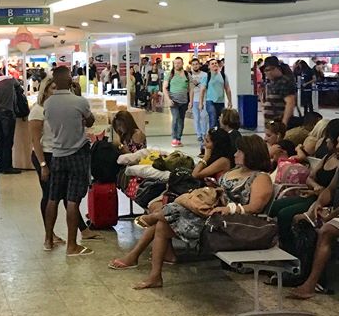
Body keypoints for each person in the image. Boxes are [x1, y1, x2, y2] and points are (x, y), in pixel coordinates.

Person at [110, 135, 273, 287]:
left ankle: (140, 249)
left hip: (227, 222)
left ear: (250, 154)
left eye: (239, 151)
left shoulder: (260, 178)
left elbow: (255, 207)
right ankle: (154, 274)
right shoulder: (235, 171)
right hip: (211, 212)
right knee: (163, 224)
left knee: (166, 217)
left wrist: (228, 208)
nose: (235, 154)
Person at [287, 130, 339, 299]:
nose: (337, 146)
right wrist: (318, 205)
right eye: (338, 142)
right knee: (299, 220)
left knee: (326, 231)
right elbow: (330, 190)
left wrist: (331, 216)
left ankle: (312, 283)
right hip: (337, 211)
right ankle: (303, 271)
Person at [43, 66, 97, 255]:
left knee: (53, 198)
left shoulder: (48, 104)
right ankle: (72, 246)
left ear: (55, 82)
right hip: (77, 154)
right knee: (73, 200)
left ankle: (48, 239)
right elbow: (90, 122)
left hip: (57, 154)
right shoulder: (79, 101)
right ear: (70, 79)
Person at [269, 124, 339, 246]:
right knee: (275, 205)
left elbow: (334, 190)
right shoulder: (328, 157)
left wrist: (320, 193)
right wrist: (316, 187)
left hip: (323, 199)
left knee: (285, 214)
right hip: (314, 194)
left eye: (329, 138)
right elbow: (310, 178)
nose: (326, 141)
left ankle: (289, 247)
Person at [29, 76, 59, 240]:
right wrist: (43, 164)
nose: (55, 91)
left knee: (58, 194)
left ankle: (52, 233)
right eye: (52, 88)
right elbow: (35, 140)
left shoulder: (56, 108)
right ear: (46, 90)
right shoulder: (38, 110)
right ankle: (49, 234)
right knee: (48, 194)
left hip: (57, 154)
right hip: (44, 155)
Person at [0, 66, 21, 174]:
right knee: (8, 141)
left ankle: (0, 166)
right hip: (8, 113)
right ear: (0, 71)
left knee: (0, 141)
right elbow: (19, 88)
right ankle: (8, 167)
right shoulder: (10, 80)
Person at [163, 57, 190, 147]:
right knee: (176, 118)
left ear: (182, 64)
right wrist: (168, 99)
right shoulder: (170, 74)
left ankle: (179, 138)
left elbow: (192, 88)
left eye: (179, 63)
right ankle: (174, 138)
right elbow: (164, 87)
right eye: (175, 63)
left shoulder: (187, 74)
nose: (177, 65)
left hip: (184, 101)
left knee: (181, 120)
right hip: (174, 101)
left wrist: (191, 101)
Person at [261, 56, 296, 127]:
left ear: (277, 68)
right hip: (271, 122)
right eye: (266, 70)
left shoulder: (284, 82)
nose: (268, 73)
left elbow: (290, 103)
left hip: (279, 123)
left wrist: (284, 123)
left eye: (270, 70)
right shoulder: (272, 83)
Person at [204, 58, 232, 133]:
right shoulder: (207, 76)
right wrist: (200, 103)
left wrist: (230, 101)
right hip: (210, 101)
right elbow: (202, 90)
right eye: (212, 64)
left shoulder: (223, 75)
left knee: (220, 121)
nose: (214, 65)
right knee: (213, 118)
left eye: (215, 63)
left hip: (220, 101)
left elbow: (227, 88)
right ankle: (211, 137)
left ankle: (218, 137)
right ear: (209, 66)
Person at [188, 57, 209, 153]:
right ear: (191, 66)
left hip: (204, 99)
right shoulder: (190, 76)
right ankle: (199, 135)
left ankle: (204, 133)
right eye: (193, 64)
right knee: (196, 118)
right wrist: (191, 102)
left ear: (199, 65)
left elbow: (205, 88)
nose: (195, 66)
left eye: (197, 64)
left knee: (203, 117)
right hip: (195, 100)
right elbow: (191, 90)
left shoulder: (205, 75)